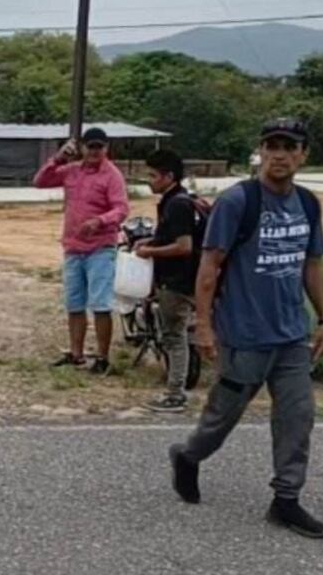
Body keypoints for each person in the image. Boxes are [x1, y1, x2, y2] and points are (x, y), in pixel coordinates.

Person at [168, 117, 323, 540]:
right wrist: (203, 326)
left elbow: (312, 265)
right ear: (260, 151)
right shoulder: (238, 201)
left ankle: (286, 499)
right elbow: (210, 266)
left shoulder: (308, 204)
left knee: (298, 416)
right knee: (222, 418)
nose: (279, 154)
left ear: (303, 154)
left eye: (289, 146)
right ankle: (188, 456)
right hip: (244, 335)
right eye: (271, 145)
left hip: (292, 336)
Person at [33, 127, 129, 375]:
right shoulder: (72, 170)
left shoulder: (112, 175)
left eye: (100, 147)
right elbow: (40, 181)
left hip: (100, 247)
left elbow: (121, 209)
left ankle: (102, 357)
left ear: (106, 148)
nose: (95, 151)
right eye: (91, 146)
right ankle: (76, 354)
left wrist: (100, 221)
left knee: (100, 304)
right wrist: (59, 158)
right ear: (82, 147)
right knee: (74, 303)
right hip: (74, 246)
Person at [134, 149, 202, 413]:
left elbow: (184, 246)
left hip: (177, 280)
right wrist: (150, 241)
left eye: (152, 175)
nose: (148, 180)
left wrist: (150, 251)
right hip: (181, 278)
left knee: (174, 337)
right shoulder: (178, 200)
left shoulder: (177, 204)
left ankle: (176, 394)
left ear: (168, 176)